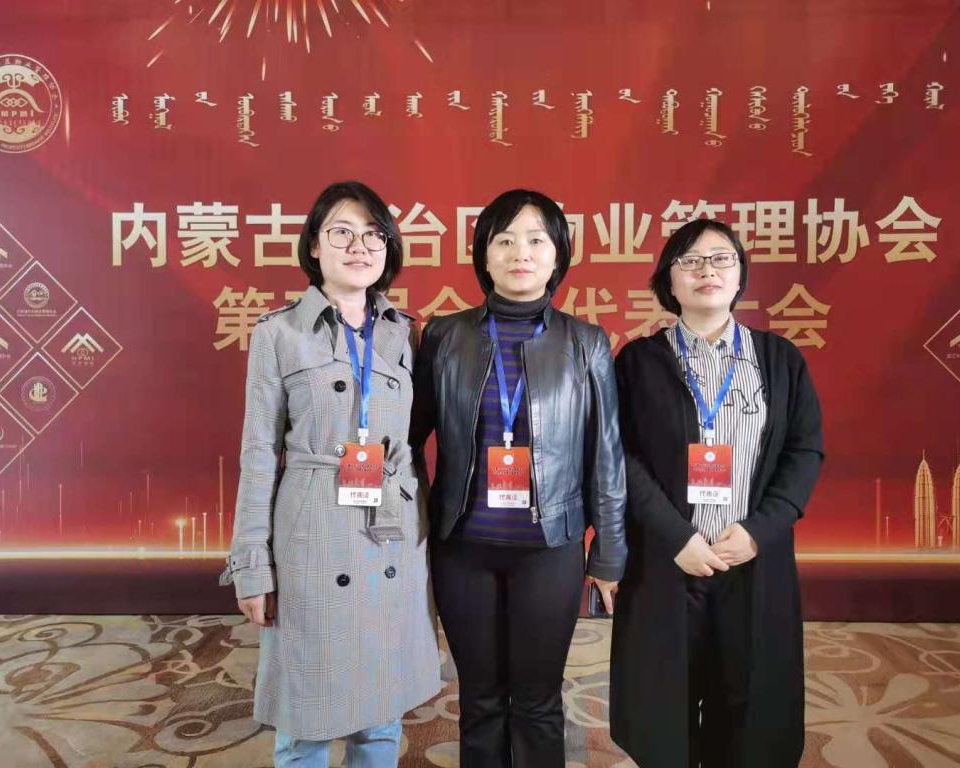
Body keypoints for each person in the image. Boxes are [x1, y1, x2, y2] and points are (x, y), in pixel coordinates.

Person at [220, 180, 440, 767]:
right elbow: (258, 454)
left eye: (373, 234)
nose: (359, 246)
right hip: (312, 535)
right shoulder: (278, 333)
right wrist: (251, 564)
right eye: (342, 232)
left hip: (389, 530)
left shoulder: (405, 331)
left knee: (382, 711)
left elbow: (414, 442)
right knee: (306, 717)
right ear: (314, 245)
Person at [411, 188, 626, 767]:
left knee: (537, 700)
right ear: (484, 255)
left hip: (549, 550)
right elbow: (408, 438)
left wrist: (609, 554)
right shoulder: (445, 336)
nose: (520, 253)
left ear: (558, 255)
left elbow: (606, 456)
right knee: (479, 699)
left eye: (536, 240)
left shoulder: (585, 342)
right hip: (463, 548)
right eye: (504, 240)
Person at [610, 219, 824, 768]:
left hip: (753, 560)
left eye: (721, 258)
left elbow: (804, 453)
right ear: (669, 281)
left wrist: (758, 532)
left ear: (740, 274)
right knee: (663, 711)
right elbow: (621, 456)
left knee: (751, 712)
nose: (707, 270)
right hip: (667, 561)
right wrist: (675, 535)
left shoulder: (780, 359)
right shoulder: (638, 361)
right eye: (690, 260)